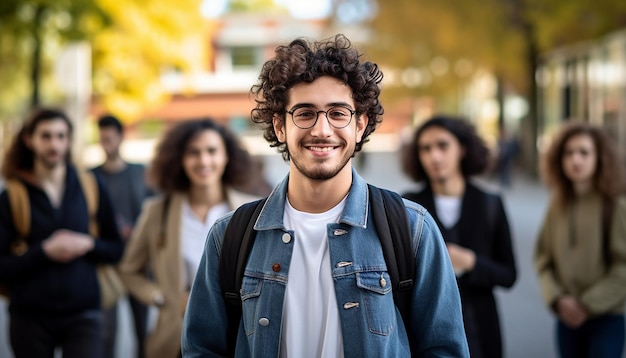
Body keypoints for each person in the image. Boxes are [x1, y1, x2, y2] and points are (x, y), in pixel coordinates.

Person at [182, 34, 469, 357]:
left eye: (337, 113)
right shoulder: (229, 236)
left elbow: (444, 349)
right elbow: (201, 349)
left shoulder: (412, 228)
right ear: (279, 126)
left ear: (360, 124)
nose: (321, 130)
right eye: (305, 113)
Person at [117, 118, 259, 357]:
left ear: (227, 157)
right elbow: (129, 270)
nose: (204, 160)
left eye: (212, 151)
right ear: (180, 159)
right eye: (194, 152)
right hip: (174, 338)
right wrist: (163, 297)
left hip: (236, 336)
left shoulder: (249, 212)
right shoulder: (158, 211)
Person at [0, 107, 124, 358]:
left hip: (85, 314)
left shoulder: (91, 186)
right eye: (45, 136)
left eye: (60, 136)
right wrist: (44, 251)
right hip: (30, 317)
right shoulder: (12, 196)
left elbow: (117, 249)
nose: (54, 144)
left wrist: (88, 243)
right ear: (29, 140)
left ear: (69, 140)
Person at [401, 115, 517, 358]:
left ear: (462, 149)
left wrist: (472, 263)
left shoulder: (490, 204)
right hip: (426, 334)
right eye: (426, 148)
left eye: (443, 146)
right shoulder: (408, 206)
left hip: (481, 330)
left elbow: (509, 274)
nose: (434, 156)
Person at [534, 121, 626, 358]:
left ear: (599, 157)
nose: (576, 160)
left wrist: (586, 305)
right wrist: (556, 298)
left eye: (584, 152)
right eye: (569, 152)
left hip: (606, 318)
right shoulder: (557, 203)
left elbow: (623, 265)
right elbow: (543, 258)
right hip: (566, 318)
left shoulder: (615, 204)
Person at [92, 114, 152, 358]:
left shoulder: (140, 173)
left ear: (120, 138)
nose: (106, 143)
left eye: (110, 138)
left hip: (138, 263)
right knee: (106, 332)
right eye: (102, 138)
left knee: (143, 330)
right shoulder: (91, 176)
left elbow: (154, 211)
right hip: (107, 264)